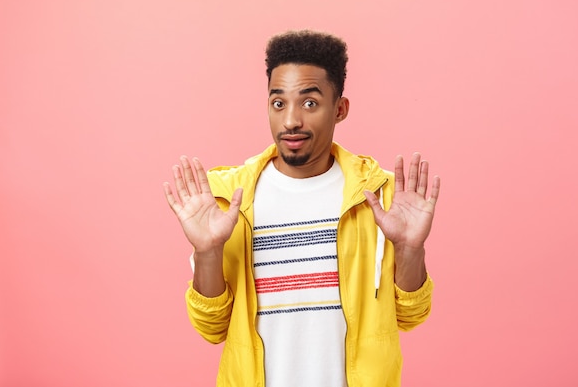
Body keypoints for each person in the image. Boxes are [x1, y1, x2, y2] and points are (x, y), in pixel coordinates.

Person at [163, 30, 441, 387]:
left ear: (340, 109)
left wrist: (409, 249)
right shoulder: (231, 200)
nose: (291, 120)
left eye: (309, 103)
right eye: (278, 103)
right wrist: (207, 252)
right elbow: (212, 327)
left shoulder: (380, 197)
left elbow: (410, 315)